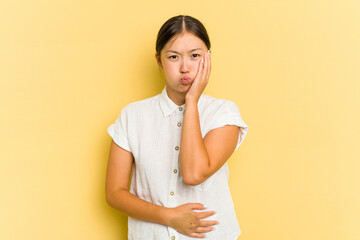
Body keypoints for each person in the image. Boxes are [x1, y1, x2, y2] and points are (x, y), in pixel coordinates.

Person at [105, 15, 248, 240]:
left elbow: (193, 173)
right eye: (173, 57)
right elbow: (115, 193)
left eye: (195, 56)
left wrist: (191, 101)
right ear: (159, 60)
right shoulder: (132, 116)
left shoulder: (223, 113)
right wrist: (168, 216)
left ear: (207, 58)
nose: (185, 68)